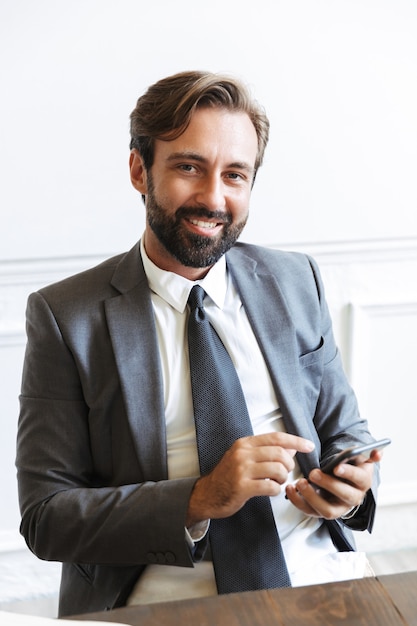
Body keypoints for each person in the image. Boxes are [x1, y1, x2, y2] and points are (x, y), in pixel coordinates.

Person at [16, 70, 383, 618]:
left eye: (235, 175)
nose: (214, 198)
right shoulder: (66, 316)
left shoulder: (295, 279)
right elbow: (46, 517)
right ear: (140, 169)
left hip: (318, 573)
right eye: (189, 167)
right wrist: (200, 497)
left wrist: (352, 485)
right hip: (166, 589)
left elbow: (346, 433)